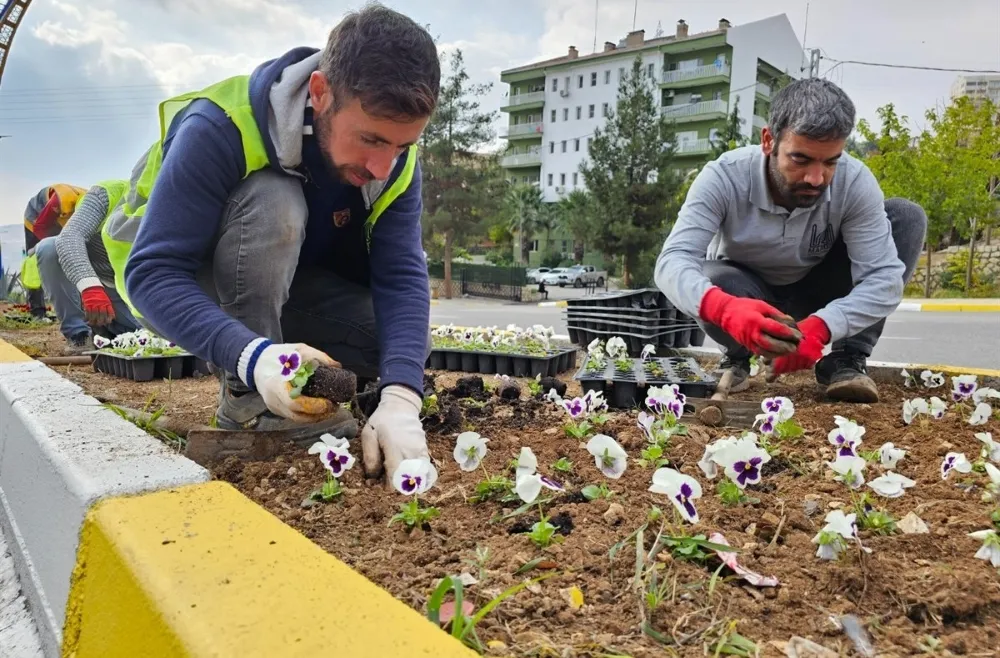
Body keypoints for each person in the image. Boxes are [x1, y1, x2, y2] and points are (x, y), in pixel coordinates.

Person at [102, 4, 439, 481]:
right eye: (370, 139)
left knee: (401, 340)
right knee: (275, 202)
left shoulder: (395, 166)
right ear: (320, 93)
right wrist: (256, 359)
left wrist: (402, 396)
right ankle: (248, 396)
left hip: (294, 288)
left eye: (400, 146)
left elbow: (402, 278)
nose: (384, 165)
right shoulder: (220, 126)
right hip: (190, 289)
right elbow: (153, 273)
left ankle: (308, 385)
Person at [655, 78, 926, 403]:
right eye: (800, 159)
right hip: (747, 295)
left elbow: (884, 278)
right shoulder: (724, 177)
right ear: (769, 140)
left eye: (830, 161)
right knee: (712, 278)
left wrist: (824, 326)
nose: (816, 178)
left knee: (906, 217)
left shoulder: (854, 182)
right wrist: (725, 310)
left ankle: (846, 359)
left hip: (818, 292)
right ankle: (736, 355)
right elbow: (672, 263)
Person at [28, 180, 141, 352]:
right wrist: (90, 288)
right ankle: (79, 335)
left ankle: (109, 333)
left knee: (150, 337)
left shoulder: (178, 210)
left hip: (132, 293)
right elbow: (70, 237)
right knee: (50, 247)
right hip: (99, 285)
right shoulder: (107, 194)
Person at [21, 183, 87, 319]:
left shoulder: (91, 205)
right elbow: (40, 226)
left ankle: (80, 309)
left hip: (59, 223)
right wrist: (49, 248)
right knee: (35, 264)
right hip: (36, 220)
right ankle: (37, 312)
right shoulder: (62, 200)